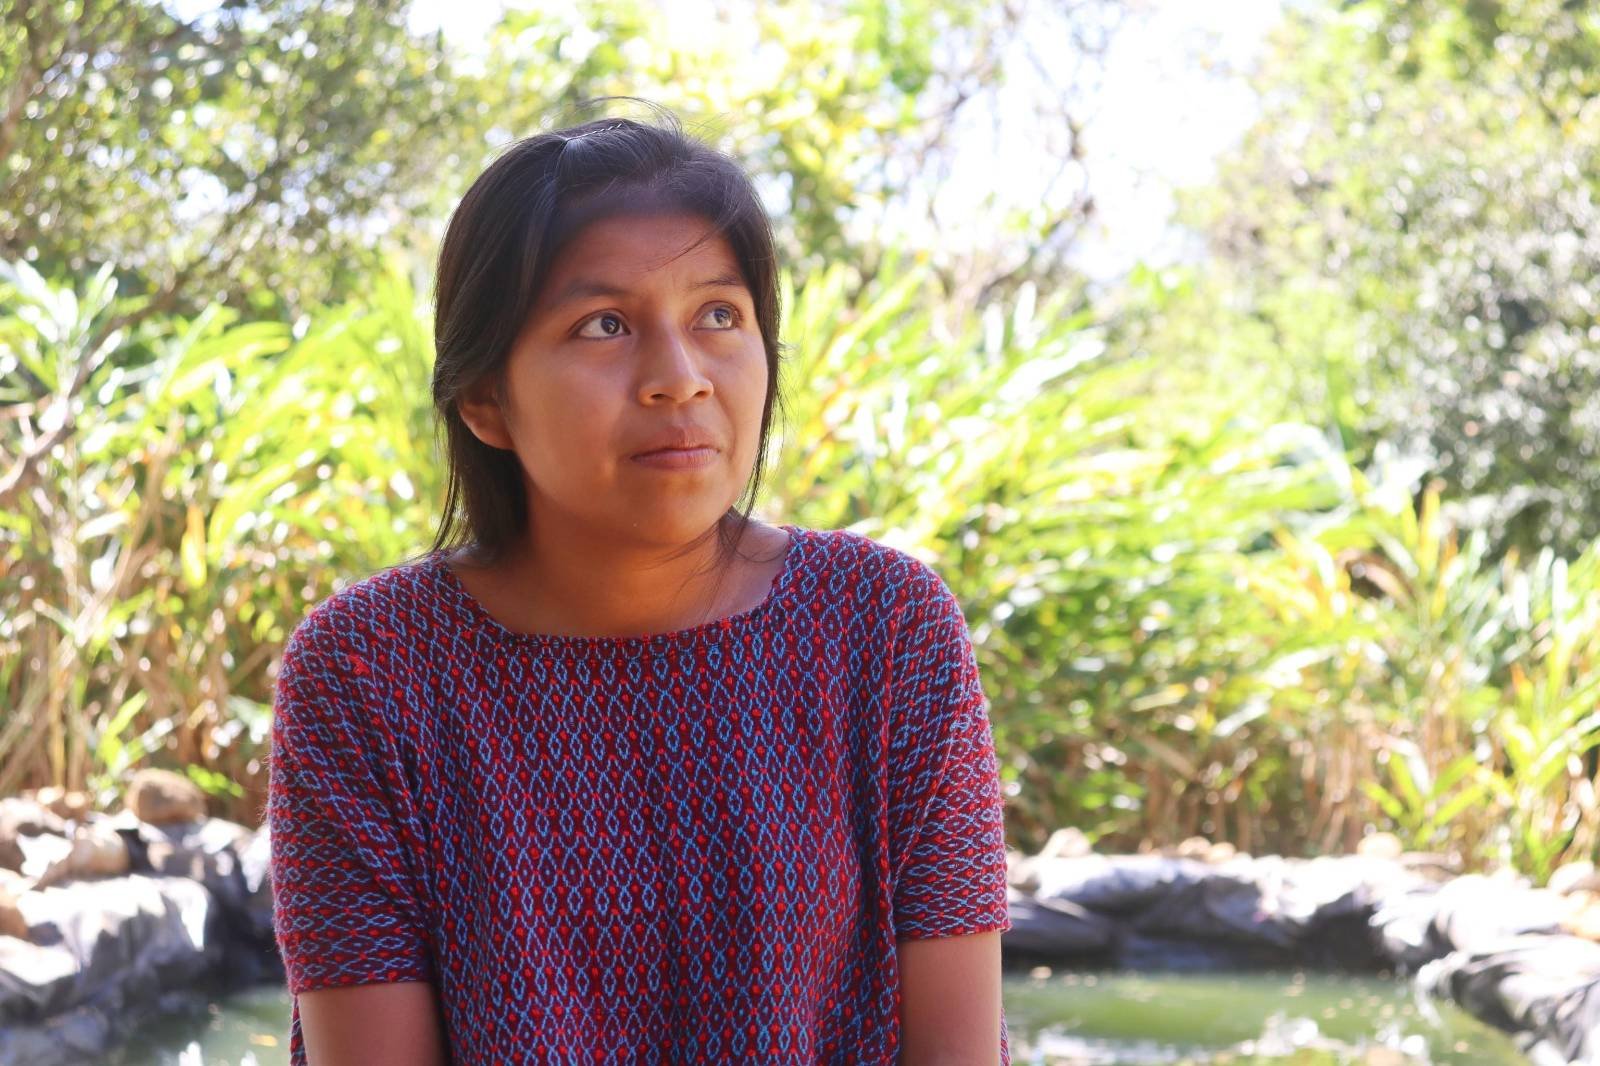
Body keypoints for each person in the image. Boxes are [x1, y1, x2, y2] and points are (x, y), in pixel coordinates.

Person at [267, 104, 1012, 1065]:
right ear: (487, 398)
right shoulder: (368, 672)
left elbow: (957, 1047)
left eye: (719, 316)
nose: (679, 378)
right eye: (604, 324)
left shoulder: (885, 627)